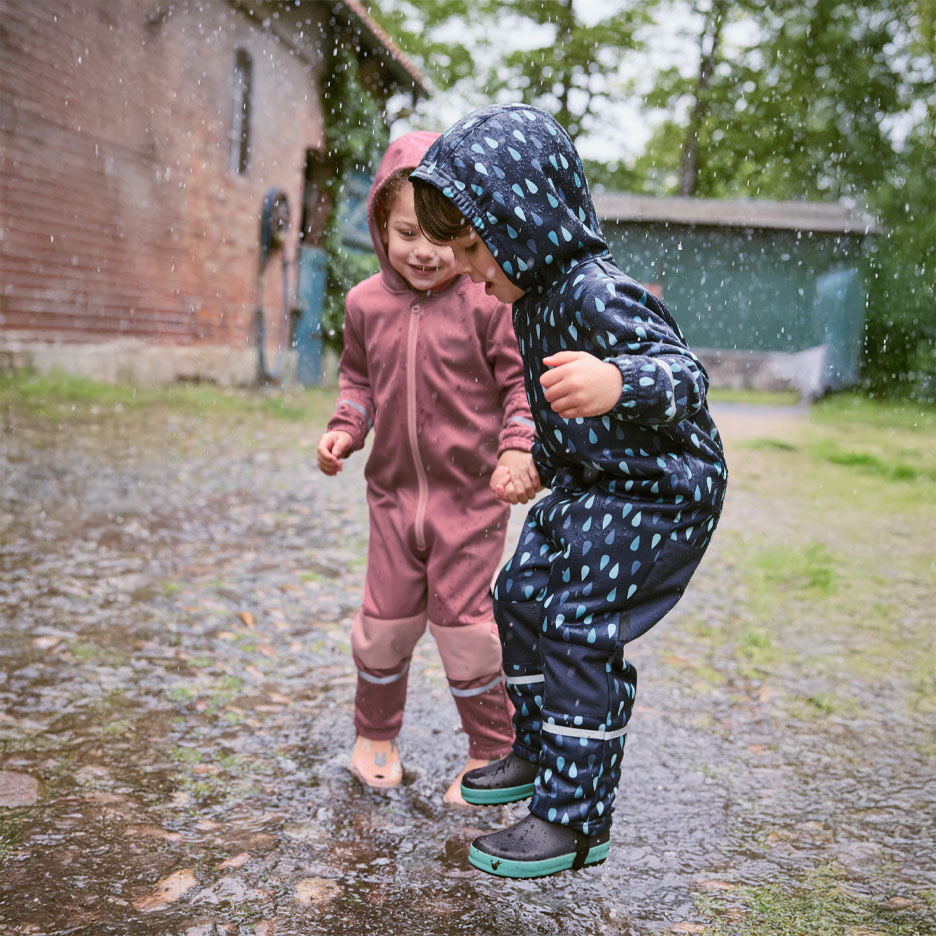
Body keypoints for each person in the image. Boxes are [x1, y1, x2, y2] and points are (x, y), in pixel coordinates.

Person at [410, 104, 727, 876]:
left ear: (525, 225)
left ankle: (576, 819)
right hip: (593, 485)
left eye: (475, 248)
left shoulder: (595, 293)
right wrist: (540, 463)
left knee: (579, 625)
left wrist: (617, 380)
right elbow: (560, 412)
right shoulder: (533, 303)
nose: (467, 269)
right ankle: (537, 749)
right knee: (520, 593)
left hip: (660, 491)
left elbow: (686, 376)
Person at [316, 131, 540, 805]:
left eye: (443, 234)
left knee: (465, 628)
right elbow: (358, 381)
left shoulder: (487, 302)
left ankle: (491, 753)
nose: (424, 250)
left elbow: (520, 386)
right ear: (379, 226)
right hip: (392, 498)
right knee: (382, 624)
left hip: (469, 501)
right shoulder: (364, 304)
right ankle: (374, 737)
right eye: (407, 232)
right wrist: (344, 428)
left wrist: (517, 448)